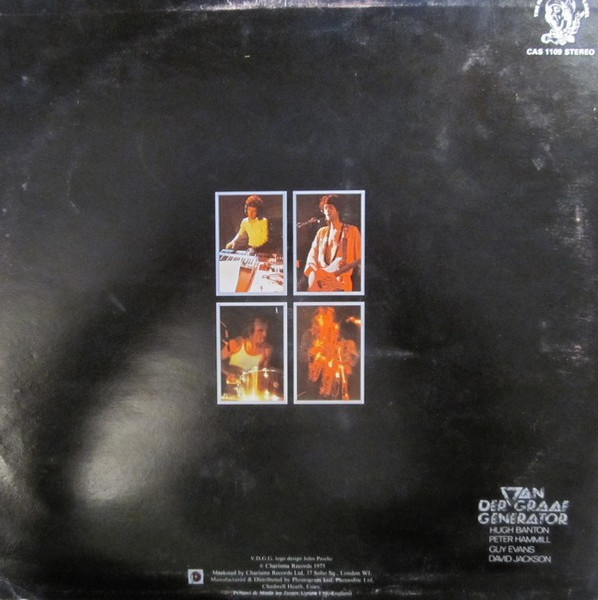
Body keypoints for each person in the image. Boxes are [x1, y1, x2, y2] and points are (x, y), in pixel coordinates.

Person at [304, 195, 361, 292]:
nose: (327, 210)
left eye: (331, 207)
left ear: (338, 210)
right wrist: (319, 273)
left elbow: (361, 258)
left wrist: (347, 266)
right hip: (321, 285)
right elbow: (311, 258)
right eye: (325, 207)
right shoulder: (321, 232)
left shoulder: (352, 231)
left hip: (342, 285)